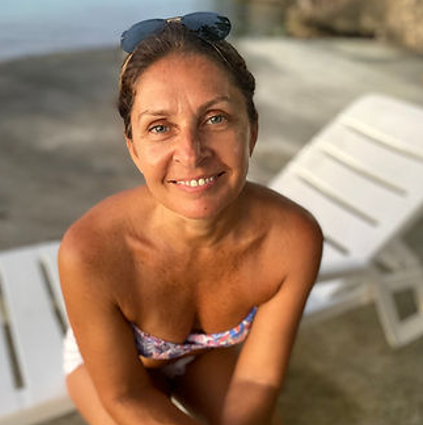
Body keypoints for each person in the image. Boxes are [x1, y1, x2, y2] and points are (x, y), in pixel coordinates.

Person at [59, 12, 323, 425]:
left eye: (215, 118)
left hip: (202, 355)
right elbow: (125, 394)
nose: (191, 153)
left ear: (251, 131)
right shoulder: (90, 253)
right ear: (133, 148)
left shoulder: (291, 241)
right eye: (160, 127)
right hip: (115, 369)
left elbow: (258, 381)